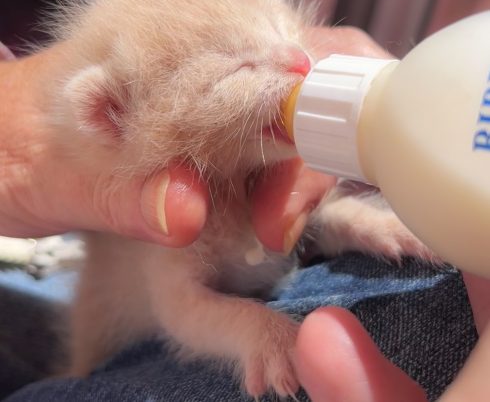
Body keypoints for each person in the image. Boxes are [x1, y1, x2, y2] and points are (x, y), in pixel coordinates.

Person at [0, 29, 483, 402]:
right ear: (116, 116)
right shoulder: (159, 199)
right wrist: (259, 332)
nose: (298, 61)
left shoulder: (253, 156)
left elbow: (307, 226)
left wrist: (367, 224)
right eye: (237, 68)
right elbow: (180, 305)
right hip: (132, 336)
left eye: (277, 26)